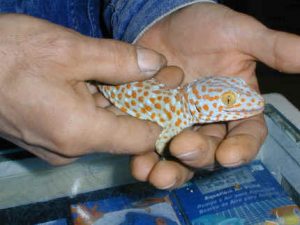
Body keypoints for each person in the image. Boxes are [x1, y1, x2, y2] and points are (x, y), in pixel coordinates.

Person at [0, 1, 299, 189]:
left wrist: (158, 8)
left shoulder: (180, 106)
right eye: (229, 102)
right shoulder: (174, 120)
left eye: (231, 97)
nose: (241, 105)